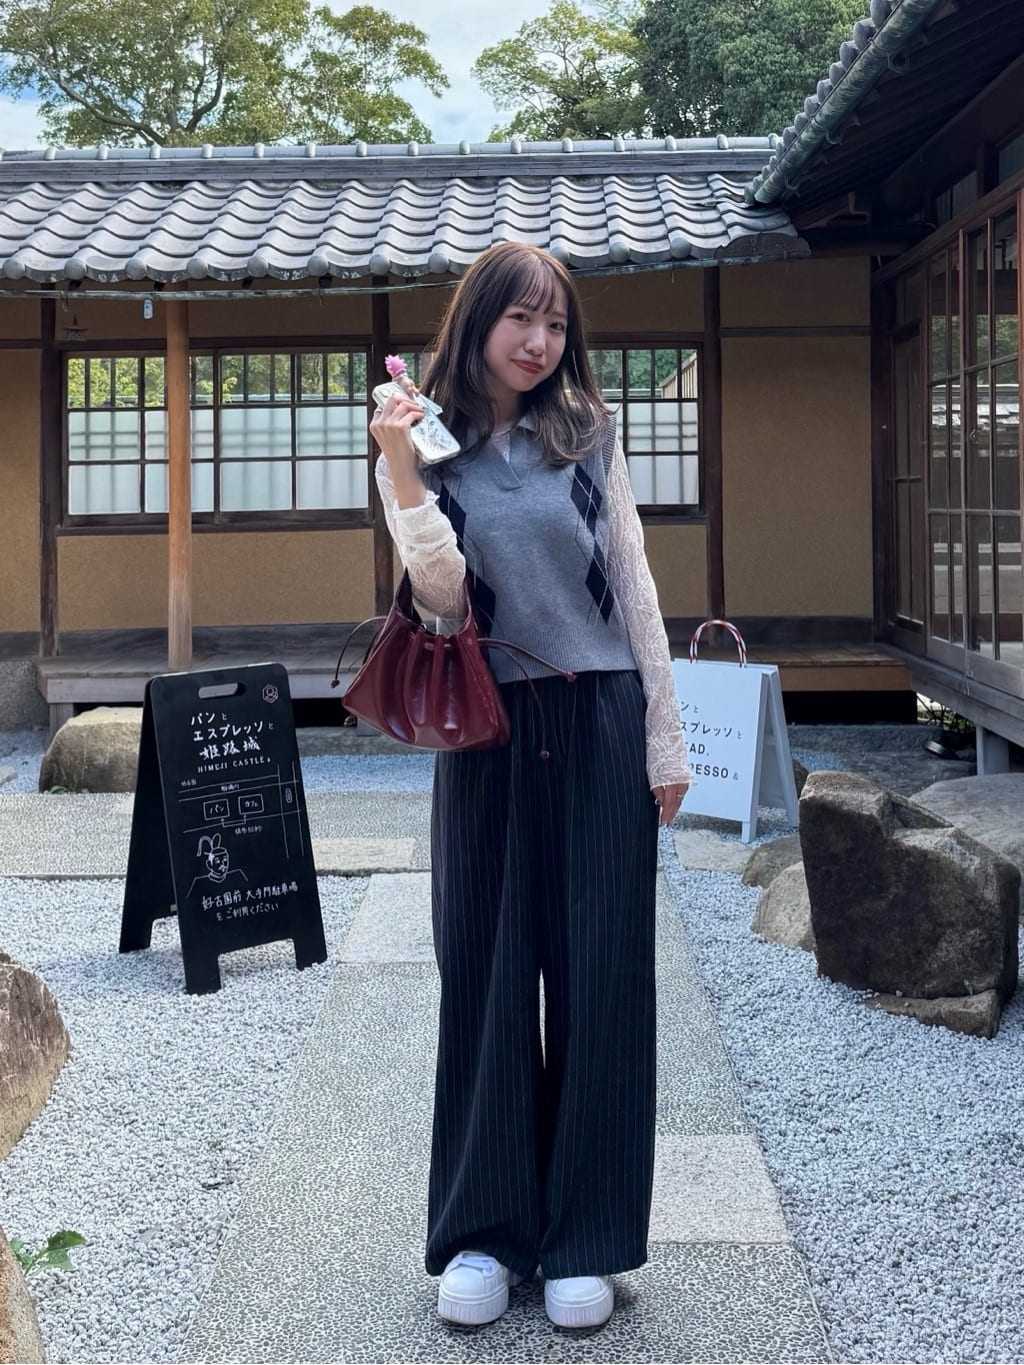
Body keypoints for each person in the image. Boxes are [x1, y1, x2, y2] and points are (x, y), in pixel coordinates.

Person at [370, 241, 695, 1332]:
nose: (539, 340)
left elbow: (635, 583)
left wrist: (665, 737)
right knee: (487, 971)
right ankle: (484, 1232)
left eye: (555, 322)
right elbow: (441, 599)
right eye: (520, 317)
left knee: (603, 978)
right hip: (489, 726)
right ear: (479, 322)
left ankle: (584, 1237)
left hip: (599, 717)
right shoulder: (422, 440)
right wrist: (403, 472)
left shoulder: (588, 432)